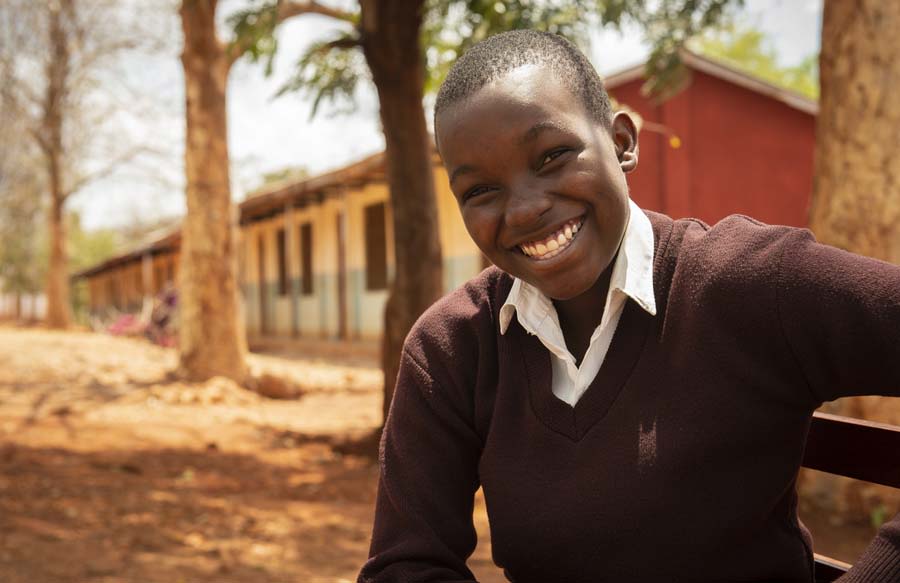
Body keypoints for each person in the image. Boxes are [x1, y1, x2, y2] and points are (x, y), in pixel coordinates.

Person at [358, 30, 900, 583]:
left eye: (552, 156)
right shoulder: (452, 347)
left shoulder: (752, 285)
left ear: (622, 142)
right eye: (480, 191)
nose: (522, 210)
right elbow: (406, 563)